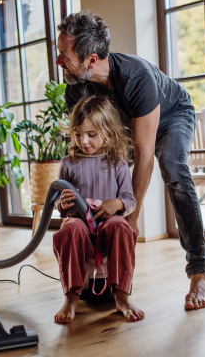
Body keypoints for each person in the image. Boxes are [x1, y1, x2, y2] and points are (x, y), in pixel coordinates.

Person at [56, 10, 205, 310]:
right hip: (122, 125)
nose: (58, 61)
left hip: (171, 116)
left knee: (173, 167)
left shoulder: (135, 77)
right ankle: (95, 272)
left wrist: (130, 217)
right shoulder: (76, 89)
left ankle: (198, 273)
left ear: (90, 60)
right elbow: (89, 149)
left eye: (64, 55)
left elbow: (144, 155)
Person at [53, 95, 144, 324]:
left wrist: (118, 203)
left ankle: (122, 297)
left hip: (108, 224)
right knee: (69, 229)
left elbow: (129, 199)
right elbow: (56, 199)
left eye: (91, 135)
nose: (84, 140)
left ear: (108, 132)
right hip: (79, 224)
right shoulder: (69, 162)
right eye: (78, 134)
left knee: (121, 227)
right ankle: (71, 298)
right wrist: (61, 205)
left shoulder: (118, 161)